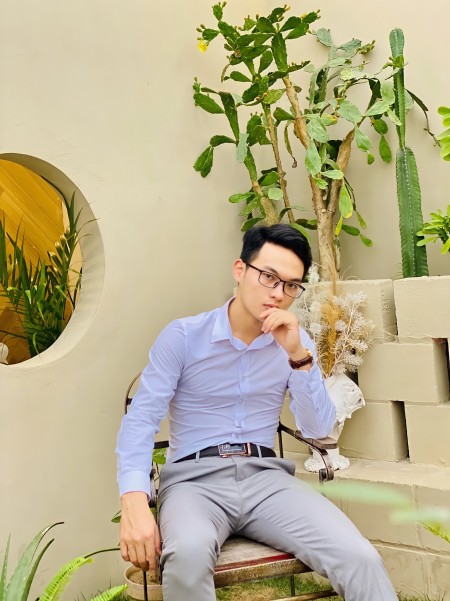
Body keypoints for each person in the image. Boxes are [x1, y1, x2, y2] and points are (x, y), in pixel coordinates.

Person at [116, 224, 398, 601]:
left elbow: (318, 429)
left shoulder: (295, 343)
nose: (278, 293)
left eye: (291, 285)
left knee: (360, 557)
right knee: (187, 556)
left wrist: (298, 356)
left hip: (267, 481)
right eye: (269, 276)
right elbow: (141, 420)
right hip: (193, 483)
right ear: (240, 270)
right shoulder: (183, 337)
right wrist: (133, 500)